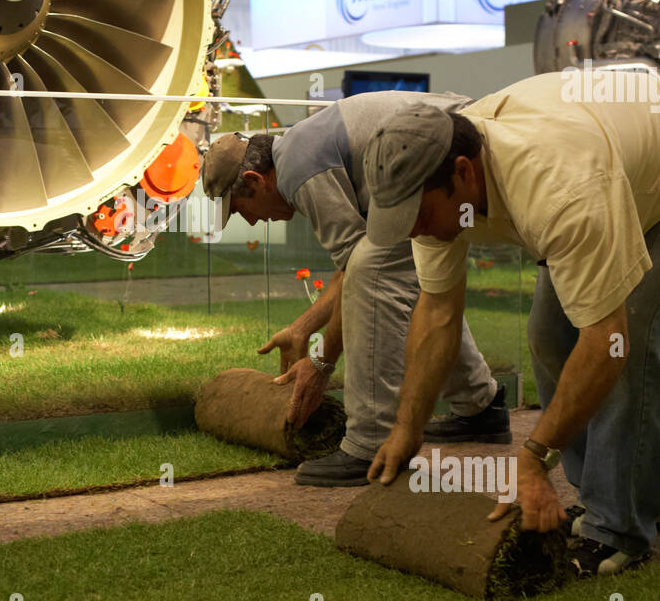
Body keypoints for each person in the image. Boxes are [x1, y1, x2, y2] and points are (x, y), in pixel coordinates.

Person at [364, 70, 660, 576]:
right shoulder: (431, 184)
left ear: (463, 173)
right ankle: (613, 495)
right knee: (549, 336)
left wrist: (530, 458)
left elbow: (606, 340)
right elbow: (437, 311)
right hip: (616, 171)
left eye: (418, 216)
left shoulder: (556, 188)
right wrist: (406, 429)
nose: (413, 231)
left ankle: (619, 527)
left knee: (631, 346)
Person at [200, 92, 509, 489]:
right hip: (448, 151)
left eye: (242, 210)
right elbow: (352, 268)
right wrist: (302, 329)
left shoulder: (299, 170)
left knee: (374, 273)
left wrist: (322, 362)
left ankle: (370, 442)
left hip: (444, 159)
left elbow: (358, 274)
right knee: (415, 281)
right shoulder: (299, 149)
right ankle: (480, 406)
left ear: (257, 181)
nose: (254, 222)